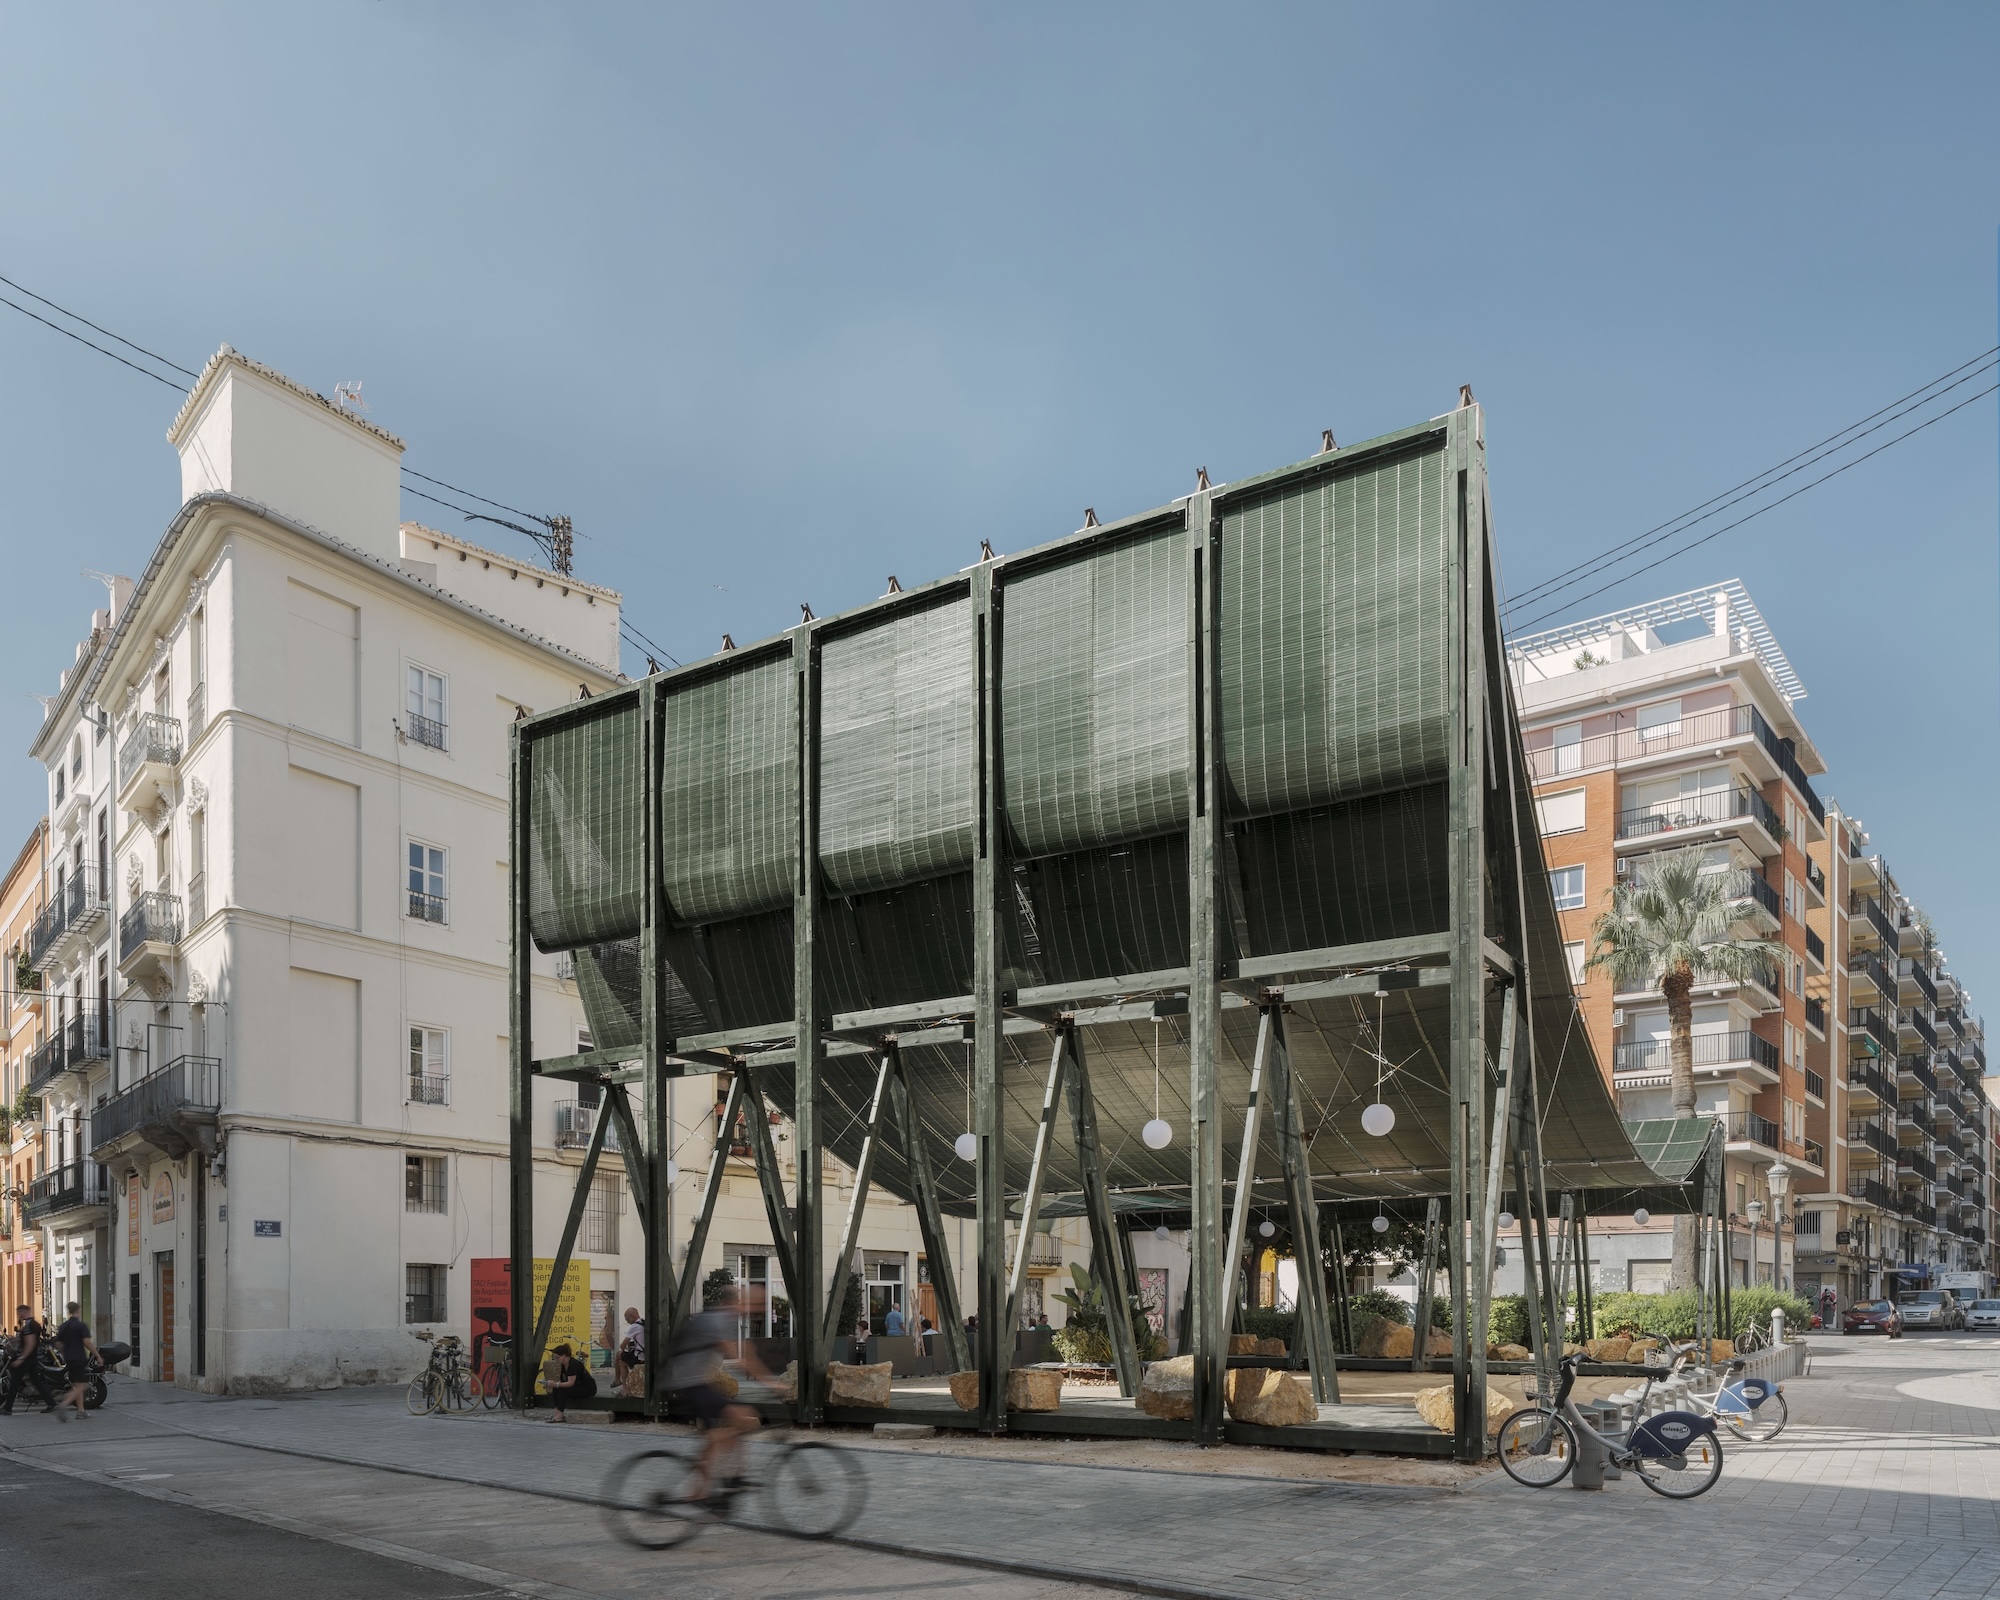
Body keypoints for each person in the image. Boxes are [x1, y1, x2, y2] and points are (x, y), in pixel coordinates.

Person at [666, 1283, 783, 1503]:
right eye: (758, 1304)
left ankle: (706, 1490)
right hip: (690, 1383)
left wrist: (764, 1378)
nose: (759, 1309)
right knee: (740, 1420)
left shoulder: (726, 1319)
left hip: (697, 1381)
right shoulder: (717, 1320)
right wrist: (770, 1383)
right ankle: (728, 1482)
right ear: (739, 1302)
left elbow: (747, 1354)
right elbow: (739, 1360)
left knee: (724, 1432)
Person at [1, 1305, 57, 1417]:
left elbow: (30, 1343)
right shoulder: (33, 1324)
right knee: (36, 1381)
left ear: (24, 1311)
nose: (19, 1315)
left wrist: (21, 1359)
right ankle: (52, 1403)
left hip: (27, 1359)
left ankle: (7, 1408)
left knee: (14, 1382)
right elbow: (28, 1340)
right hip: (32, 1358)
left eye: (19, 1312)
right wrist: (16, 1339)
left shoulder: (29, 1326)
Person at [54, 1301, 94, 1421]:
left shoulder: (64, 1326)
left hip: (69, 1358)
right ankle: (63, 1404)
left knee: (78, 1385)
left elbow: (58, 1343)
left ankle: (81, 1411)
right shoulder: (81, 1326)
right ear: (79, 1310)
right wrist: (97, 1354)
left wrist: (65, 1349)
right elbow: (87, 1342)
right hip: (79, 1358)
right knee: (82, 1386)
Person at [544, 1343, 596, 1423]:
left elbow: (570, 1383)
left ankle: (559, 1415)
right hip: (577, 1386)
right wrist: (552, 1384)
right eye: (554, 1358)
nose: (556, 1360)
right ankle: (557, 1412)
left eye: (557, 1358)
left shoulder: (573, 1364)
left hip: (587, 1388)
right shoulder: (563, 1365)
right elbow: (563, 1380)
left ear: (564, 1356)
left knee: (562, 1389)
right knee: (556, 1389)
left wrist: (556, 1384)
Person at [612, 1307, 645, 1397]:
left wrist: (626, 1348)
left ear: (631, 1316)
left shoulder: (634, 1327)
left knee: (619, 1357)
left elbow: (622, 1346)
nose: (627, 1321)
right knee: (621, 1359)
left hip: (640, 1357)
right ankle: (621, 1384)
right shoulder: (644, 1323)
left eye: (627, 1318)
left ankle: (621, 1385)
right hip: (646, 1354)